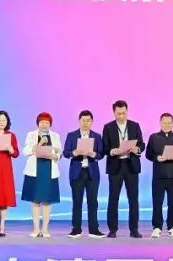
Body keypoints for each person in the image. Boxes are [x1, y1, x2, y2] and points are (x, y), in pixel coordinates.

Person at [101, 100, 145, 238]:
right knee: (113, 198)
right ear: (114, 112)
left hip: (131, 166)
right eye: (118, 113)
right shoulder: (108, 127)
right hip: (115, 165)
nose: (121, 116)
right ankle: (112, 229)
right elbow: (104, 148)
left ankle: (134, 229)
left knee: (133, 199)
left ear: (127, 111)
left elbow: (142, 144)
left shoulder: (134, 125)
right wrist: (113, 151)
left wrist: (137, 149)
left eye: (123, 113)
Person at [62, 110, 105, 239]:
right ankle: (76, 229)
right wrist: (74, 153)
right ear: (79, 121)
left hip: (92, 173)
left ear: (92, 122)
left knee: (93, 202)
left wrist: (94, 154)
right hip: (77, 172)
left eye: (88, 121)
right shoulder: (72, 135)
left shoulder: (97, 136)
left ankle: (94, 229)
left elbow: (101, 154)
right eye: (83, 120)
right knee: (77, 201)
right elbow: (65, 153)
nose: (85, 123)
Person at [21, 112, 63, 238]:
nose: (44, 124)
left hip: (48, 169)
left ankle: (45, 229)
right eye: (42, 122)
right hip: (35, 169)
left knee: (46, 201)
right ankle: (36, 229)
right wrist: (39, 144)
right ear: (38, 123)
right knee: (35, 201)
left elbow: (59, 152)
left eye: (47, 122)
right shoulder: (31, 135)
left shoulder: (55, 136)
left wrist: (56, 156)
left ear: (50, 124)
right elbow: (25, 151)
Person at [145, 112, 173, 238]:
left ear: (172, 123)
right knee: (157, 202)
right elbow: (148, 154)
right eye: (164, 123)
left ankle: (172, 227)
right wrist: (157, 157)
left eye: (169, 123)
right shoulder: (154, 137)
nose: (167, 125)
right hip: (159, 176)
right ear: (160, 123)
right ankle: (157, 227)